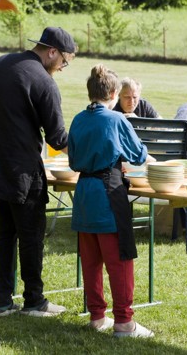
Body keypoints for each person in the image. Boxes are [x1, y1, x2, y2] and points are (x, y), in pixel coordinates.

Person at [0, 27, 76, 317]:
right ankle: (34, 301)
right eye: (64, 61)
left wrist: (6, 115)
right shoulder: (45, 82)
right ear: (52, 52)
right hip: (22, 171)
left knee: (5, 233)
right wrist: (87, 156)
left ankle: (2, 301)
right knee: (30, 236)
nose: (63, 68)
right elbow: (58, 139)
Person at [68, 64, 155, 338]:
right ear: (115, 93)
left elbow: (72, 159)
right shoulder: (117, 120)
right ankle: (124, 322)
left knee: (91, 260)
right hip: (109, 191)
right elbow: (139, 155)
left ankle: (97, 316)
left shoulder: (78, 119)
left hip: (84, 192)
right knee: (120, 260)